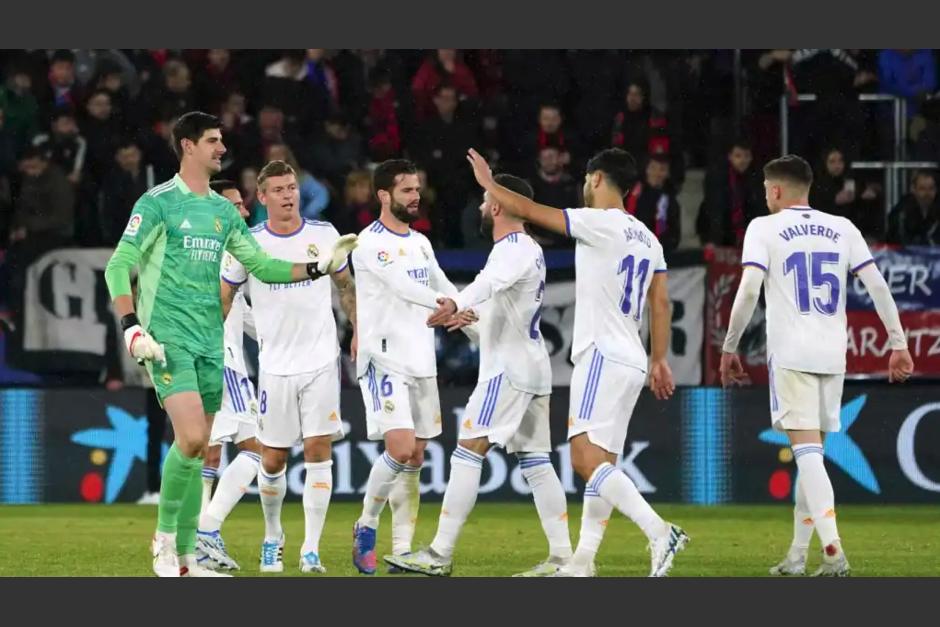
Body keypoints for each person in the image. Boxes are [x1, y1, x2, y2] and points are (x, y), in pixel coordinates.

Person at [103, 111, 356, 578]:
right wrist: (132, 327)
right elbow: (118, 267)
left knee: (198, 451)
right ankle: (162, 540)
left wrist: (317, 268)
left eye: (221, 140)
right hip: (167, 340)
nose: (222, 148)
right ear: (187, 146)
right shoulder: (157, 203)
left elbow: (263, 267)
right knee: (194, 438)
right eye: (213, 141)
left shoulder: (223, 213)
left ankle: (185, 559)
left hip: (210, 343)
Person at [465, 147, 687, 577]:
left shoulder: (598, 222)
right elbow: (661, 302)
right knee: (602, 462)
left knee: (584, 460)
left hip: (601, 352)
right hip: (632, 358)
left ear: (598, 178)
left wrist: (489, 185)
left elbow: (530, 210)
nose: (585, 187)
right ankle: (583, 560)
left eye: (587, 179)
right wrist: (659, 358)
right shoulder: (649, 238)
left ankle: (660, 531)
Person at [720, 155, 914, 577]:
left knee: (807, 456)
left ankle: (833, 551)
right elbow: (877, 285)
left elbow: (750, 286)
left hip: (791, 353)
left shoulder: (763, 227)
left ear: (774, 191)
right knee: (813, 456)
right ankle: (796, 554)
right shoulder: (842, 228)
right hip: (832, 354)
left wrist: (729, 346)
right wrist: (897, 343)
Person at [386, 174, 572, 577]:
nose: (481, 208)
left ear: (500, 206)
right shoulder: (528, 250)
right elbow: (502, 305)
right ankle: (563, 558)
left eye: (487, 201)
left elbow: (488, 283)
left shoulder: (513, 246)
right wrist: (467, 318)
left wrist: (456, 300)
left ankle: (439, 553)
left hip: (507, 369)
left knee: (469, 449)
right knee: (537, 462)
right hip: (531, 366)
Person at [220, 160, 358, 574]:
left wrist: (358, 329)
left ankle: (311, 548)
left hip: (321, 358)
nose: (287, 195)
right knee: (273, 459)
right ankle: (273, 536)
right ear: (261, 198)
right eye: (277, 190)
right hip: (275, 364)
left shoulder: (325, 235)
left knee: (319, 449)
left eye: (292, 187)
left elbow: (346, 285)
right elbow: (225, 295)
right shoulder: (248, 241)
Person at [350, 159, 459, 575]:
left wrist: (458, 305)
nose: (416, 197)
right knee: (399, 448)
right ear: (383, 195)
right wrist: (443, 304)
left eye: (417, 189)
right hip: (384, 357)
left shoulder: (420, 242)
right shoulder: (369, 242)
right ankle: (366, 524)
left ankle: (403, 550)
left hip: (421, 359)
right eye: (407, 190)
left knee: (415, 456)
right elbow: (404, 286)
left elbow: (438, 280)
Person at [192, 179, 261, 572]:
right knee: (246, 449)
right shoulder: (208, 258)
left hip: (230, 365)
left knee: (216, 451)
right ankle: (202, 534)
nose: (245, 212)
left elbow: (245, 314)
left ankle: (200, 535)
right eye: (237, 205)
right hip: (219, 364)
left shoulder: (227, 255)